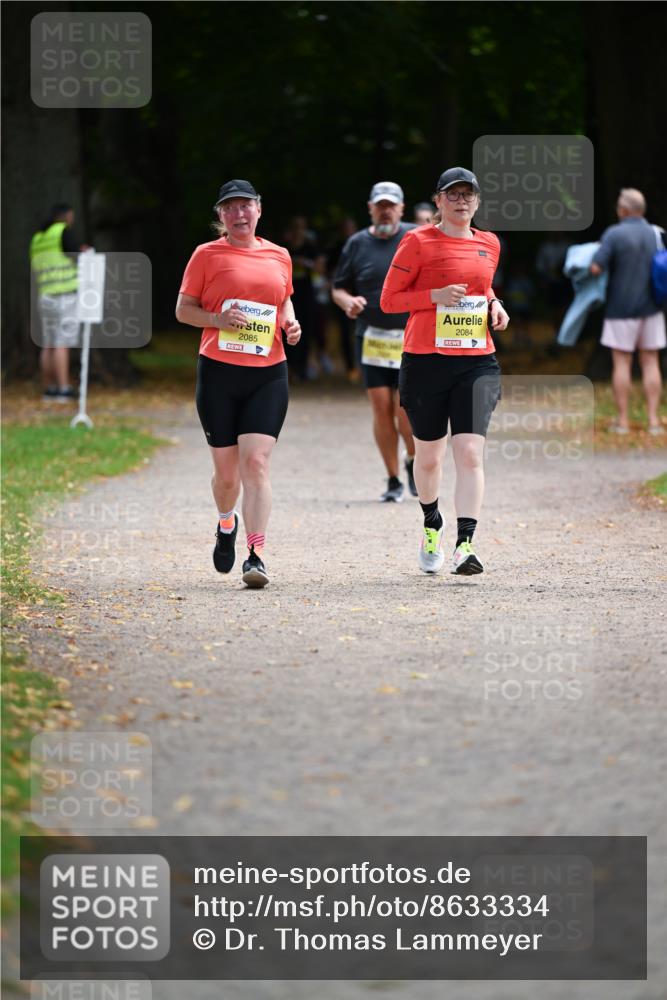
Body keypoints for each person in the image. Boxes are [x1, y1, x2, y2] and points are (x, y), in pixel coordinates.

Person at [380, 167, 510, 576]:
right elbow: (388, 301)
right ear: (438, 201)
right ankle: (432, 522)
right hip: (426, 362)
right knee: (430, 458)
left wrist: (494, 304)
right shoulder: (417, 242)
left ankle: (465, 545)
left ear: (477, 200)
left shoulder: (489, 243)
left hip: (476, 361)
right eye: (452, 194)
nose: (461, 201)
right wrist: (432, 297)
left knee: (470, 453)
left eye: (467, 194)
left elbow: (482, 285)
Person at [175, 179, 301, 588]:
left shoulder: (279, 255)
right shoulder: (206, 255)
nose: (240, 214)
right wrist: (217, 319)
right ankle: (226, 521)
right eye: (230, 208)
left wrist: (289, 322)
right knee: (227, 476)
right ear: (221, 217)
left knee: (257, 463)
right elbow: (183, 310)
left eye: (246, 206)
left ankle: (256, 555)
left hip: (269, 371)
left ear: (259, 210)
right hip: (219, 372)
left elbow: (284, 298)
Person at [332, 182, 417, 502]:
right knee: (381, 408)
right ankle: (394, 479)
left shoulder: (415, 237)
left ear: (401, 208)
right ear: (370, 208)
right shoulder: (356, 243)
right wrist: (347, 302)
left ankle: (412, 461)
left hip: (409, 336)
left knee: (405, 411)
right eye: (379, 205)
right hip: (372, 337)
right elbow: (338, 287)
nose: (385, 210)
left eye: (391, 205)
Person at [590, 188, 666, 434]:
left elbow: (595, 268)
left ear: (623, 210)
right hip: (652, 308)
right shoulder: (657, 233)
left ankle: (623, 421)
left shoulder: (614, 234)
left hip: (620, 309)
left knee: (622, 363)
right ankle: (654, 421)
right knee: (651, 361)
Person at [30, 203, 88, 402]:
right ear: (66, 216)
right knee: (63, 343)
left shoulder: (38, 238)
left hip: (45, 295)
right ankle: (64, 389)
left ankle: (50, 389)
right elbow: (76, 256)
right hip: (64, 294)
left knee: (48, 343)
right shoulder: (61, 231)